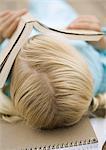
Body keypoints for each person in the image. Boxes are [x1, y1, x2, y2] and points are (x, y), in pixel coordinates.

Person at [0, 6, 106, 129]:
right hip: (69, 25)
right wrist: (101, 40)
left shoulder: (5, 77)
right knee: (57, 8)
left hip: (14, 31)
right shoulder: (97, 72)